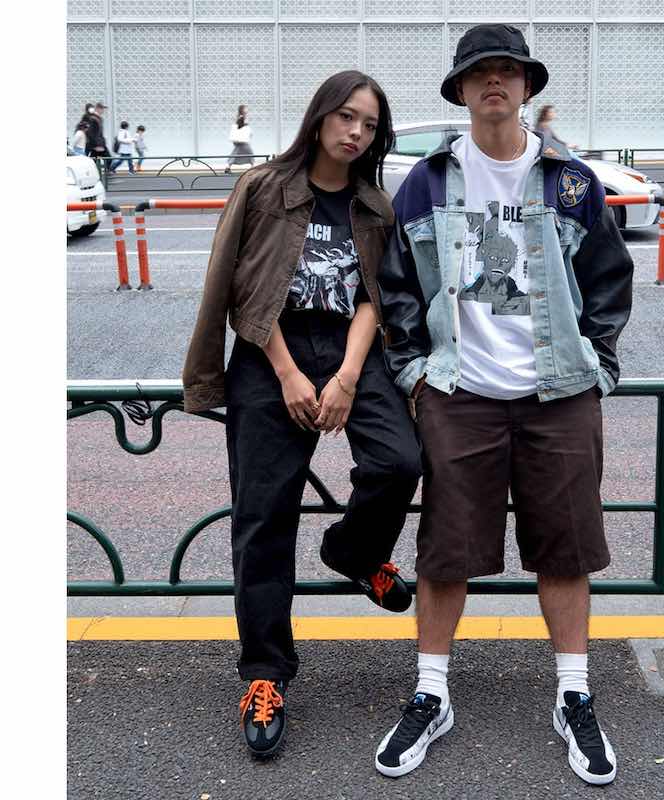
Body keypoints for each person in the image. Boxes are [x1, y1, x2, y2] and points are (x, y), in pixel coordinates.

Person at [374, 24, 634, 786]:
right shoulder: (427, 182)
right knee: (444, 551)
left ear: (527, 87)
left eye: (508, 70)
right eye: (480, 71)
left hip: (559, 394)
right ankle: (431, 694)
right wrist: (416, 374)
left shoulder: (570, 181)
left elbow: (609, 277)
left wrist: (598, 366)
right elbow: (396, 285)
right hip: (461, 393)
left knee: (567, 547)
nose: (495, 81)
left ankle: (574, 695)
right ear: (461, 90)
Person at [182, 70, 422, 760]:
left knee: (400, 460)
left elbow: (376, 296)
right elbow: (239, 287)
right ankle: (265, 673)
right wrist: (288, 374)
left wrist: (345, 376)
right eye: (347, 117)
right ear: (319, 118)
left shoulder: (375, 205)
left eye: (369, 125)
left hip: (349, 349)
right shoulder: (263, 188)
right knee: (263, 516)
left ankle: (354, 552)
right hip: (271, 351)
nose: (356, 133)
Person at [224, 104, 255, 173]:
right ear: (242, 110)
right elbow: (243, 128)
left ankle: (228, 167)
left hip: (239, 141)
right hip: (243, 141)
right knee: (250, 153)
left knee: (235, 154)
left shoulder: (239, 117)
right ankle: (253, 167)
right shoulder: (242, 118)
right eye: (246, 110)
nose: (247, 111)